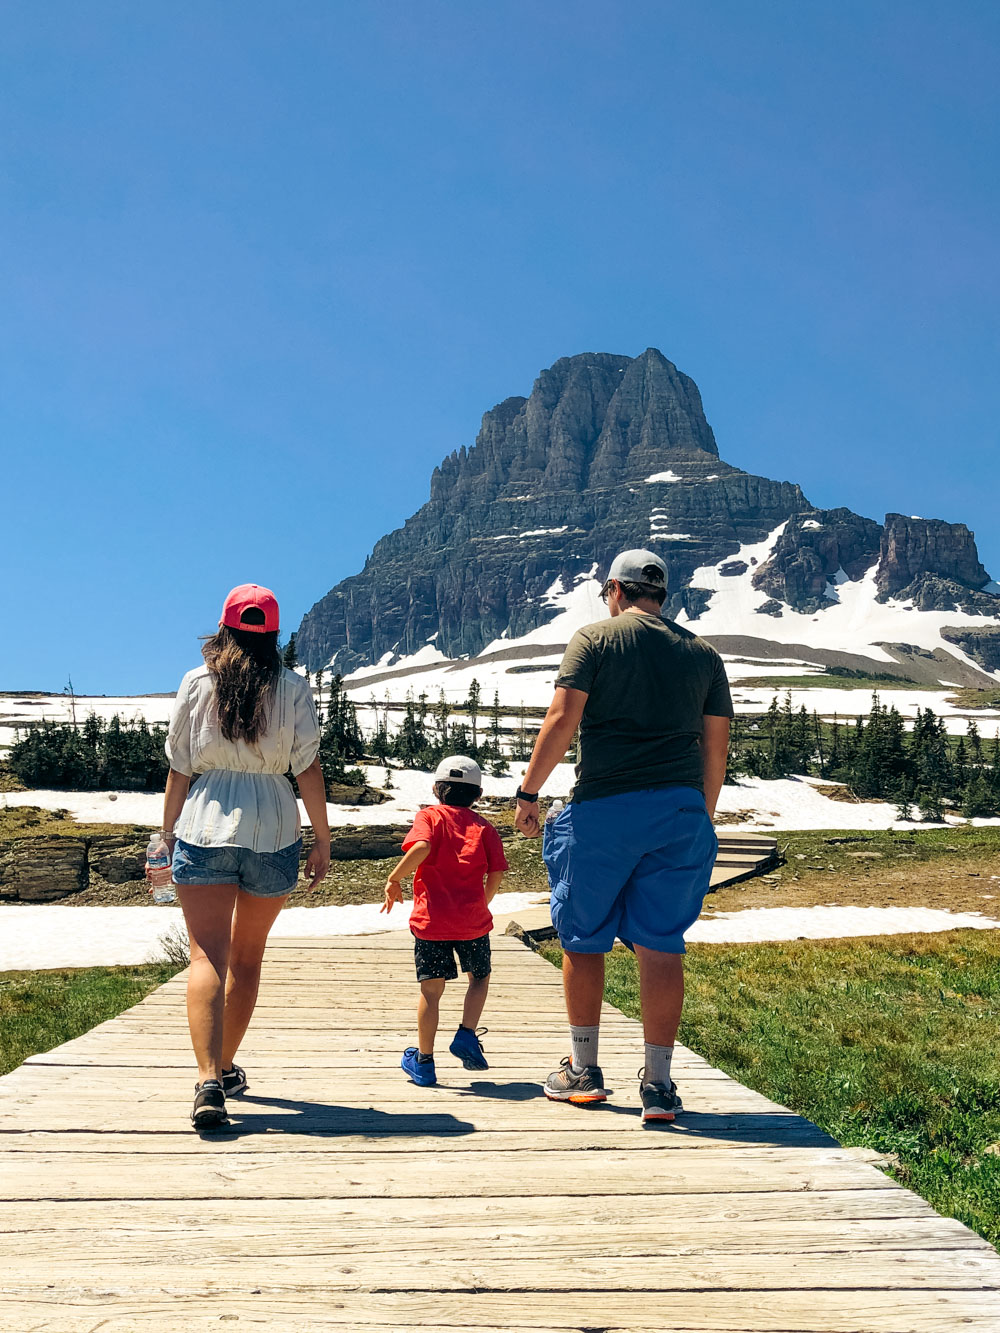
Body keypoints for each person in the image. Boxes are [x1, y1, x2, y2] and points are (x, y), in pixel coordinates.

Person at [513, 549, 732, 1124]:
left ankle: (584, 1072)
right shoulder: (704, 656)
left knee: (583, 937)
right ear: (663, 595)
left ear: (614, 589)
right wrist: (700, 813)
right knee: (662, 943)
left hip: (604, 810)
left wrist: (529, 793)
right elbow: (716, 747)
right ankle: (658, 1084)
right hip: (680, 812)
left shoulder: (595, 640)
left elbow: (563, 719)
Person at [148, 583, 330, 1129]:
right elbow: (308, 770)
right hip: (274, 822)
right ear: (272, 634)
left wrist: (166, 833)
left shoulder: (195, 682)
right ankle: (226, 1067)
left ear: (223, 628)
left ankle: (207, 1079)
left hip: (205, 819)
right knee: (247, 958)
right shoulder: (293, 687)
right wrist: (321, 838)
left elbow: (179, 767)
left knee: (206, 957)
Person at [381, 755, 508, 1086]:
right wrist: (484, 900)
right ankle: (466, 1034)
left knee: (431, 991)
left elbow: (421, 846)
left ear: (437, 789)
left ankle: (424, 1062)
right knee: (479, 977)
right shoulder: (484, 827)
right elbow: (496, 871)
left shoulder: (430, 817)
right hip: (473, 922)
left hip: (432, 922)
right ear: (477, 795)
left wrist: (394, 878)